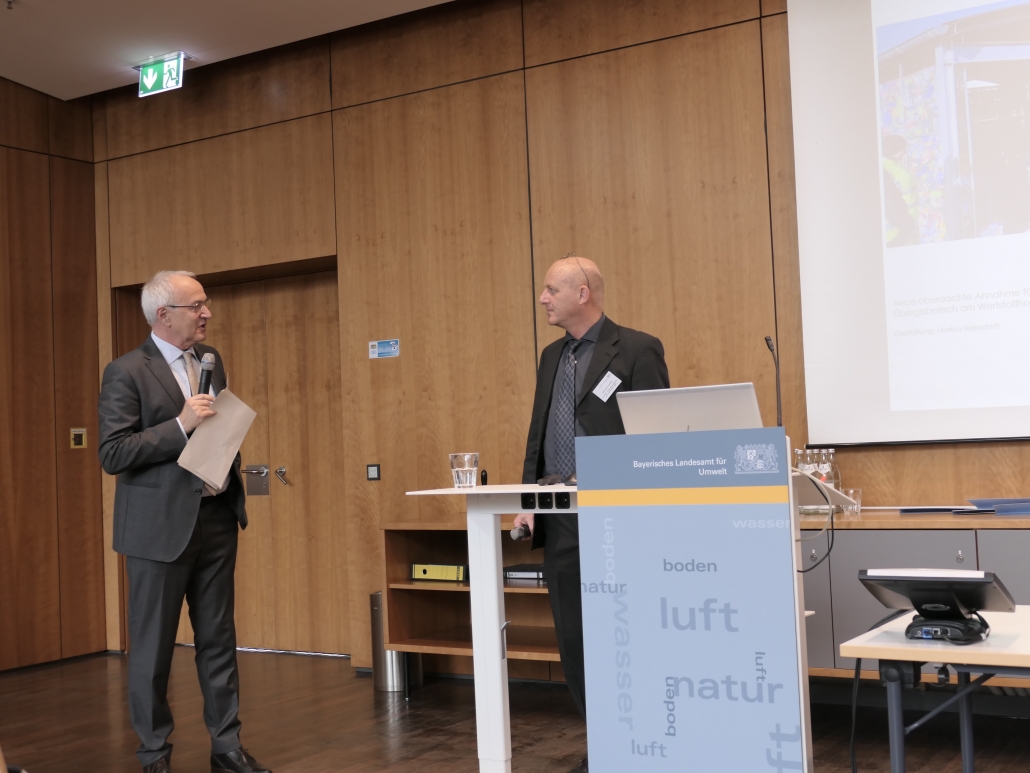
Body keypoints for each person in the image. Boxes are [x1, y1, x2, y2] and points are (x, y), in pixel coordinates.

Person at [97, 271, 271, 773]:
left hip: (215, 518)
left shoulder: (210, 360)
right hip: (156, 531)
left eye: (205, 303)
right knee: (152, 648)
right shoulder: (126, 371)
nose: (206, 313)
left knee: (218, 639)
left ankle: (227, 746)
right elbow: (113, 453)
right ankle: (155, 753)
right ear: (163, 315)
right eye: (196, 305)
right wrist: (180, 425)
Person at [513, 256, 669, 773]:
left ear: (582, 293)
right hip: (561, 518)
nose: (543, 298)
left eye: (551, 289)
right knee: (575, 639)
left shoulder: (638, 350)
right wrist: (529, 501)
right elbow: (538, 432)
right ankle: (605, 744)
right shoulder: (550, 356)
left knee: (627, 636)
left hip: (620, 520)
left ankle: (646, 743)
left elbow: (656, 437)